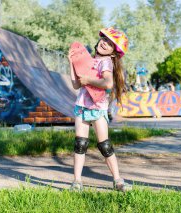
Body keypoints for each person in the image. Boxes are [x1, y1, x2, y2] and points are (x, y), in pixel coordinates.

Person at [67, 27, 131, 192]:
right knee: (80, 144)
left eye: (109, 44)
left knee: (105, 146)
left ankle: (118, 180)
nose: (104, 43)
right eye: (104, 39)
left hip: (97, 109)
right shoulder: (87, 61)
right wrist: (71, 63)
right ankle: (77, 181)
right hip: (81, 106)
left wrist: (88, 79)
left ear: (112, 53)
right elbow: (76, 85)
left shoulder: (105, 62)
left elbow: (108, 83)